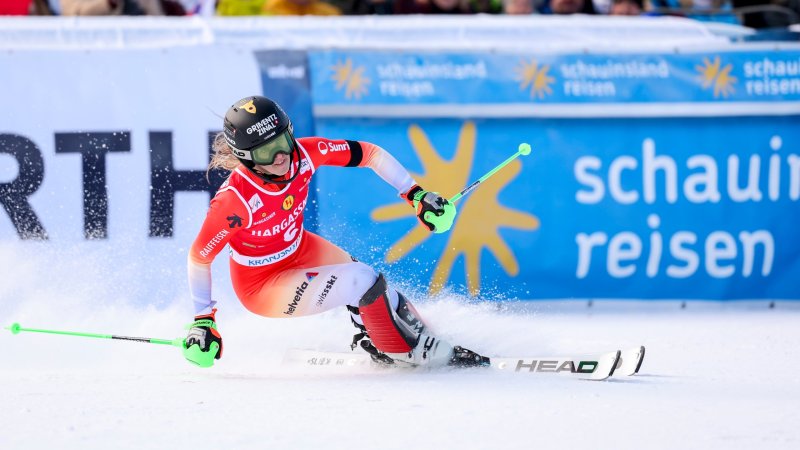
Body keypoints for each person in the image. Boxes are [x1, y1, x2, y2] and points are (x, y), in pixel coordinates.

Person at [183, 95, 489, 369]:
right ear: (247, 157)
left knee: (369, 278)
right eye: (265, 152)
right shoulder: (234, 201)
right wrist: (203, 320)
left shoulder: (304, 153)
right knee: (361, 281)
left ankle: (413, 338)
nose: (280, 157)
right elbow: (199, 258)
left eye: (282, 142)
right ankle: (402, 351)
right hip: (261, 284)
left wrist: (415, 194)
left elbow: (369, 154)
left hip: (298, 248)